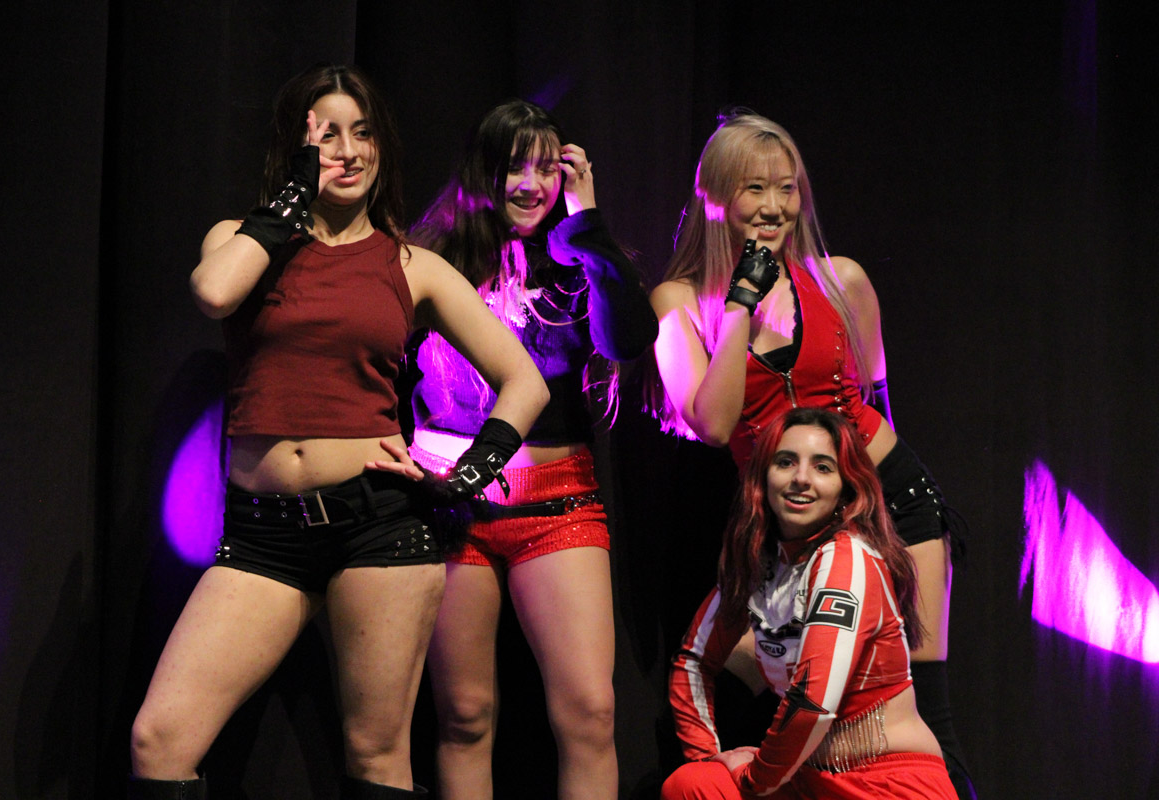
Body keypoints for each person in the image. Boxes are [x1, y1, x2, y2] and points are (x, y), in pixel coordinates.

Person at [128, 65, 548, 800]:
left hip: (378, 525)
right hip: (262, 534)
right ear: (294, 148)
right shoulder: (239, 239)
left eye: (363, 133)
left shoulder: (410, 264)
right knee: (158, 741)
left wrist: (466, 476)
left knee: (376, 756)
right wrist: (290, 202)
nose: (349, 152)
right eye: (326, 136)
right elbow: (215, 292)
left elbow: (526, 382)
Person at [649, 112, 975, 798]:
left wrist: (877, 511)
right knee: (806, 704)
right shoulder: (682, 300)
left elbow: (877, 398)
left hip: (892, 501)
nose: (775, 206)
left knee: (922, 707)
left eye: (787, 188)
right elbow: (712, 423)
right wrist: (740, 304)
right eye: (754, 188)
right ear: (715, 197)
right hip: (794, 521)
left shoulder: (840, 280)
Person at [387, 99, 656, 800]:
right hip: (450, 501)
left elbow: (628, 340)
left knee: (591, 712)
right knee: (465, 714)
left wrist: (587, 223)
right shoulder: (432, 256)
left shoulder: (578, 258)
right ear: (484, 171)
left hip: (558, 502)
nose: (531, 185)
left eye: (546, 168)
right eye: (515, 167)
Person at [663, 408, 959, 799]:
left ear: (845, 487)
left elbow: (813, 702)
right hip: (811, 781)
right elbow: (694, 661)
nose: (801, 478)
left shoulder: (848, 559)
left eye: (822, 467)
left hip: (889, 783)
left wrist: (754, 780)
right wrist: (709, 757)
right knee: (693, 785)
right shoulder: (760, 565)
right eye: (786, 462)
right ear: (763, 477)